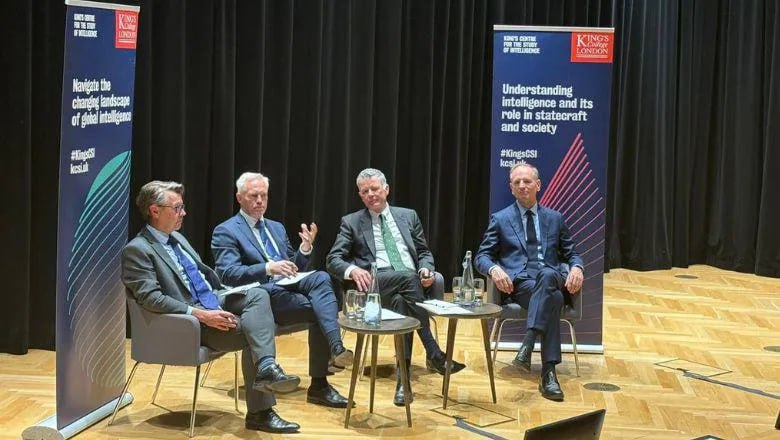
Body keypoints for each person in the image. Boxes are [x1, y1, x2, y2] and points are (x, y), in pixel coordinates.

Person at [121, 181, 300, 433]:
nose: (184, 213)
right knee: (256, 333)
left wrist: (226, 293)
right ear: (155, 210)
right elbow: (151, 299)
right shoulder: (137, 250)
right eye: (177, 208)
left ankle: (267, 366)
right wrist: (201, 315)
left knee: (259, 294)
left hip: (215, 298)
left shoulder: (177, 238)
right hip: (189, 323)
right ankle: (261, 412)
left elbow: (205, 277)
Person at [211, 172, 352, 409]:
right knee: (323, 308)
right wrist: (268, 267)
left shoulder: (276, 228)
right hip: (258, 296)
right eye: (253, 196)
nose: (260, 201)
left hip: (286, 290)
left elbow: (293, 269)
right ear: (239, 198)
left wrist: (304, 250)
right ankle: (321, 383)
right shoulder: (226, 230)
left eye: (264, 195)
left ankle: (336, 347)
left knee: (322, 277)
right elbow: (228, 273)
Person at [326, 167, 466, 407]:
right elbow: (333, 260)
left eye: (374, 189)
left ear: (386, 189)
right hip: (376, 286)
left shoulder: (408, 216)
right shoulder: (351, 222)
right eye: (365, 192)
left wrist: (426, 270)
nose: (370, 194)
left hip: (409, 288)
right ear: (360, 195)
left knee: (403, 300)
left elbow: (423, 252)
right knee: (407, 279)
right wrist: (353, 270)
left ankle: (404, 382)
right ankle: (434, 352)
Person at [475, 163, 584, 401]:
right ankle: (548, 373)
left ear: (538, 185)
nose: (522, 186)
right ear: (511, 188)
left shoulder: (555, 218)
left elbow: (572, 253)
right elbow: (481, 256)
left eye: (527, 181)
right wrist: (494, 269)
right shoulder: (500, 219)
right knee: (554, 298)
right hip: (522, 284)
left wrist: (577, 267)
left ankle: (528, 341)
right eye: (517, 182)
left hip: (551, 277)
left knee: (547, 275)